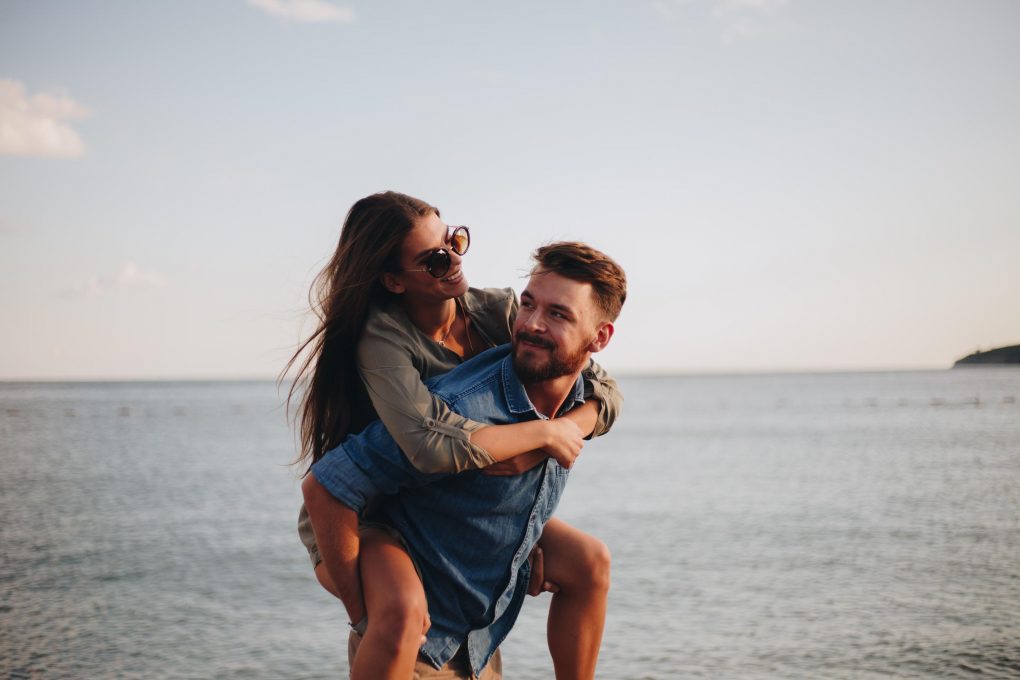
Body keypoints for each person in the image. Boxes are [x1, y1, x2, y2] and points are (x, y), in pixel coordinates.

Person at [284, 192, 622, 678]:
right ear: (394, 281)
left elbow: (600, 384)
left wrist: (567, 430)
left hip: (453, 507)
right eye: (437, 259)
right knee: (400, 614)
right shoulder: (383, 341)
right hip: (370, 513)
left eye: (455, 240)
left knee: (589, 561)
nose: (456, 261)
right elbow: (428, 444)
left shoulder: (499, 315)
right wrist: (364, 615)